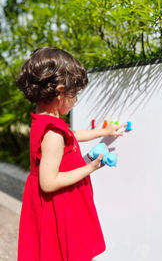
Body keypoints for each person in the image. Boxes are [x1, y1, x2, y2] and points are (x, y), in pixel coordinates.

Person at [16, 46, 127, 261]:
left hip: (54, 203)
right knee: (62, 252)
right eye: (74, 94)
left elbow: (72, 134)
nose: (75, 101)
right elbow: (48, 183)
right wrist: (91, 167)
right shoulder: (53, 133)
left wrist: (102, 132)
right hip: (59, 206)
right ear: (59, 92)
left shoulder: (47, 123)